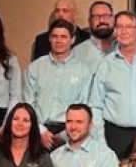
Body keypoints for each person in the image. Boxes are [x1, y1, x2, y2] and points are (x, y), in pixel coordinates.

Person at [89, 11, 136, 158]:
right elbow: (96, 104)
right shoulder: (106, 64)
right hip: (116, 135)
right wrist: (100, 139)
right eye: (119, 27)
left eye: (129, 27)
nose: (124, 31)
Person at [24, 19, 94, 150]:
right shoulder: (35, 68)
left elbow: (84, 105)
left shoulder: (83, 70)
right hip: (39, 131)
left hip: (70, 132)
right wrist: (41, 131)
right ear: (49, 39)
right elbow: (28, 103)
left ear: (72, 40)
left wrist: (65, 134)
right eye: (55, 36)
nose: (59, 41)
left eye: (64, 37)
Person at [72, 1, 116, 70]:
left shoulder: (125, 48)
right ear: (89, 21)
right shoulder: (77, 53)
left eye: (106, 16)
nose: (101, 20)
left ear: (113, 19)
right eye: (96, 17)